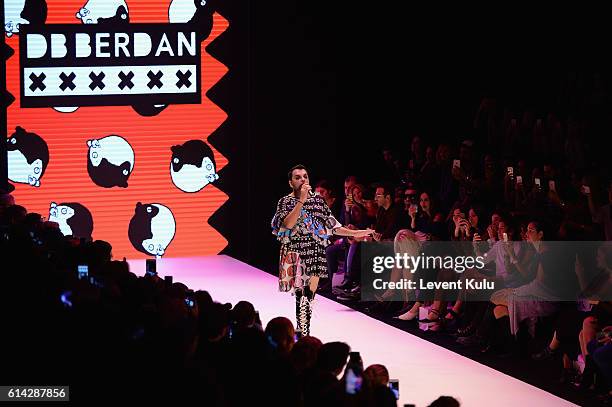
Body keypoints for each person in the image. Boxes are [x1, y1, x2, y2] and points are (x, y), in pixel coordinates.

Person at [272, 165, 373, 336]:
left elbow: (333, 226)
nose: (303, 180)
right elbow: (286, 224)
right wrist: (301, 201)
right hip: (296, 252)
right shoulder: (285, 202)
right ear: (291, 183)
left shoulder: (318, 203)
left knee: (308, 295)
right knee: (300, 292)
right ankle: (302, 328)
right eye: (298, 177)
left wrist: (356, 232)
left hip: (314, 251)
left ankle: (304, 328)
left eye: (305, 176)